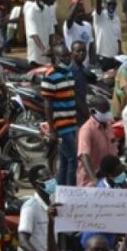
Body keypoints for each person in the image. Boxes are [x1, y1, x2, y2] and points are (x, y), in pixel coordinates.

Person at [42, 43, 78, 186]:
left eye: (68, 55)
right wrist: (52, 130)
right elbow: (47, 104)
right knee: (72, 159)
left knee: (64, 159)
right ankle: (70, 190)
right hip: (61, 126)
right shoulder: (50, 76)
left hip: (71, 122)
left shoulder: (68, 73)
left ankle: (61, 188)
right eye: (64, 56)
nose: (68, 58)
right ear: (56, 58)